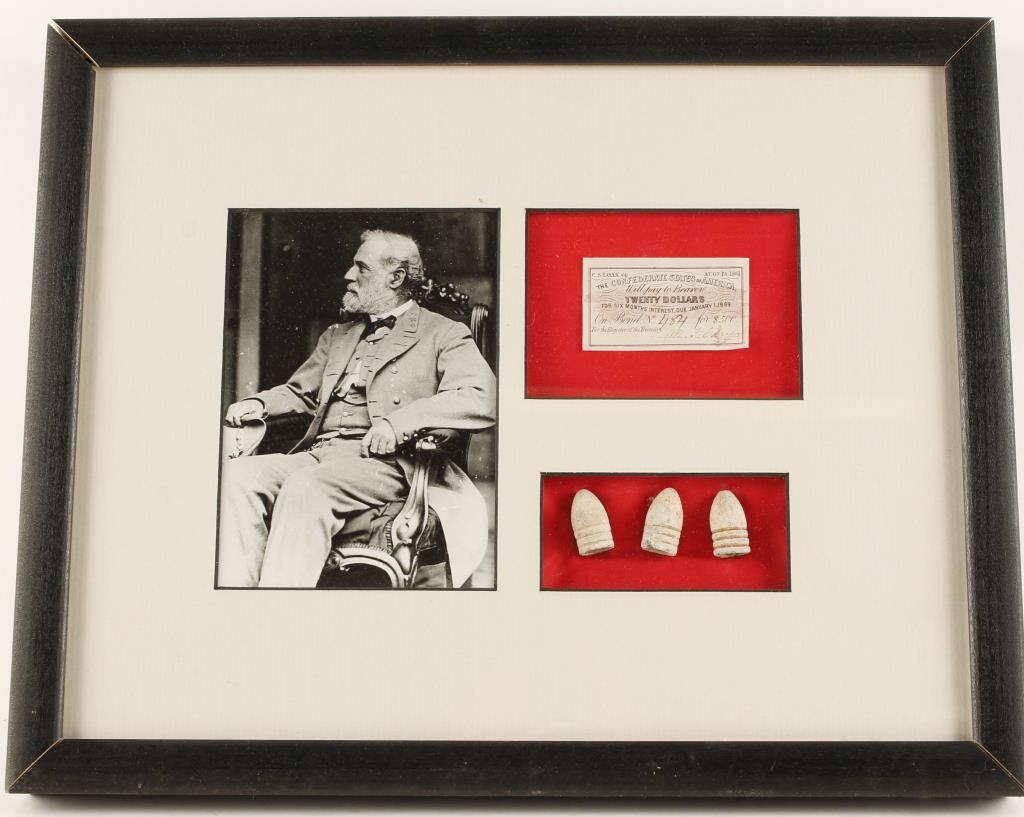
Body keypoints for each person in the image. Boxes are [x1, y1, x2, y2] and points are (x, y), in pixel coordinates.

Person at [217, 229, 496, 588]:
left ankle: (279, 609)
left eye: (361, 268)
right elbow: (301, 392)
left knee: (305, 487)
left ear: (395, 277)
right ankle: (241, 601)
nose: (349, 275)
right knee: (236, 478)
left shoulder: (443, 333)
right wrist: (258, 404)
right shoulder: (338, 334)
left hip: (387, 463)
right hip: (319, 454)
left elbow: (481, 394)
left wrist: (398, 424)